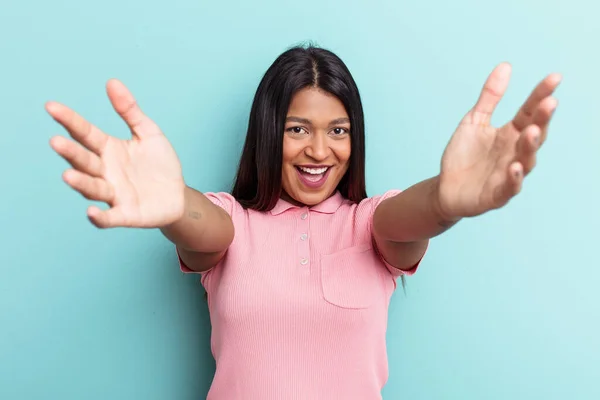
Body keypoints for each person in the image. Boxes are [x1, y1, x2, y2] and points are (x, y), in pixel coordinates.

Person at [46, 45, 561, 399]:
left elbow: (409, 218)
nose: (319, 150)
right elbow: (205, 228)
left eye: (338, 129)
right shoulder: (234, 224)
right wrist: (175, 206)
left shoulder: (372, 223)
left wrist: (445, 203)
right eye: (298, 129)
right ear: (270, 132)